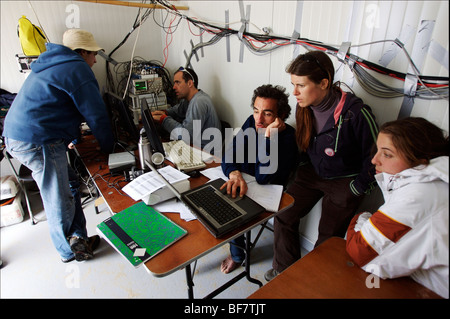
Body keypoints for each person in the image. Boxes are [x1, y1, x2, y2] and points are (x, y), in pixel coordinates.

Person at [264, 50, 379, 281]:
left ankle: (313, 284)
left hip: (345, 180)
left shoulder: (356, 114)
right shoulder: (303, 105)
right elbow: (305, 143)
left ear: (324, 83)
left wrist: (356, 188)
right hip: (313, 173)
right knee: (284, 215)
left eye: (301, 85)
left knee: (328, 237)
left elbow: (376, 157)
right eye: (293, 84)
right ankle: (285, 272)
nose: (294, 92)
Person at [2, 29, 114, 263]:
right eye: (93, 54)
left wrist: (71, 136)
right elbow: (97, 116)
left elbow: (58, 106)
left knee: (70, 184)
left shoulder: (53, 63)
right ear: (82, 52)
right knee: (58, 197)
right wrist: (109, 148)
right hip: (37, 139)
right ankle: (68, 252)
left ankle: (78, 239)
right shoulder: (78, 68)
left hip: (21, 135)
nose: (95, 60)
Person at [346, 117, 449, 298]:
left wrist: (362, 216)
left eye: (387, 154)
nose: (374, 160)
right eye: (377, 151)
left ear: (418, 159)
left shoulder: (417, 196)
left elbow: (361, 249)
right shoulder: (437, 180)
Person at [219, 84, 298, 274]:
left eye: (267, 113)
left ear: (280, 116)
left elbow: (264, 177)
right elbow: (229, 155)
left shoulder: (288, 139)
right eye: (256, 111)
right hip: (246, 179)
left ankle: (237, 256)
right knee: (223, 195)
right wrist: (234, 173)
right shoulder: (251, 122)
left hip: (268, 188)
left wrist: (269, 138)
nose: (259, 119)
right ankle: (238, 253)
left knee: (232, 205)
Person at [152, 67, 221, 150]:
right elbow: (175, 111)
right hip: (195, 147)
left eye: (177, 83)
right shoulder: (188, 100)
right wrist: (160, 113)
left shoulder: (199, 101)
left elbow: (187, 136)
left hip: (206, 154)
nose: (174, 87)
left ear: (190, 83)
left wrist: (164, 119)